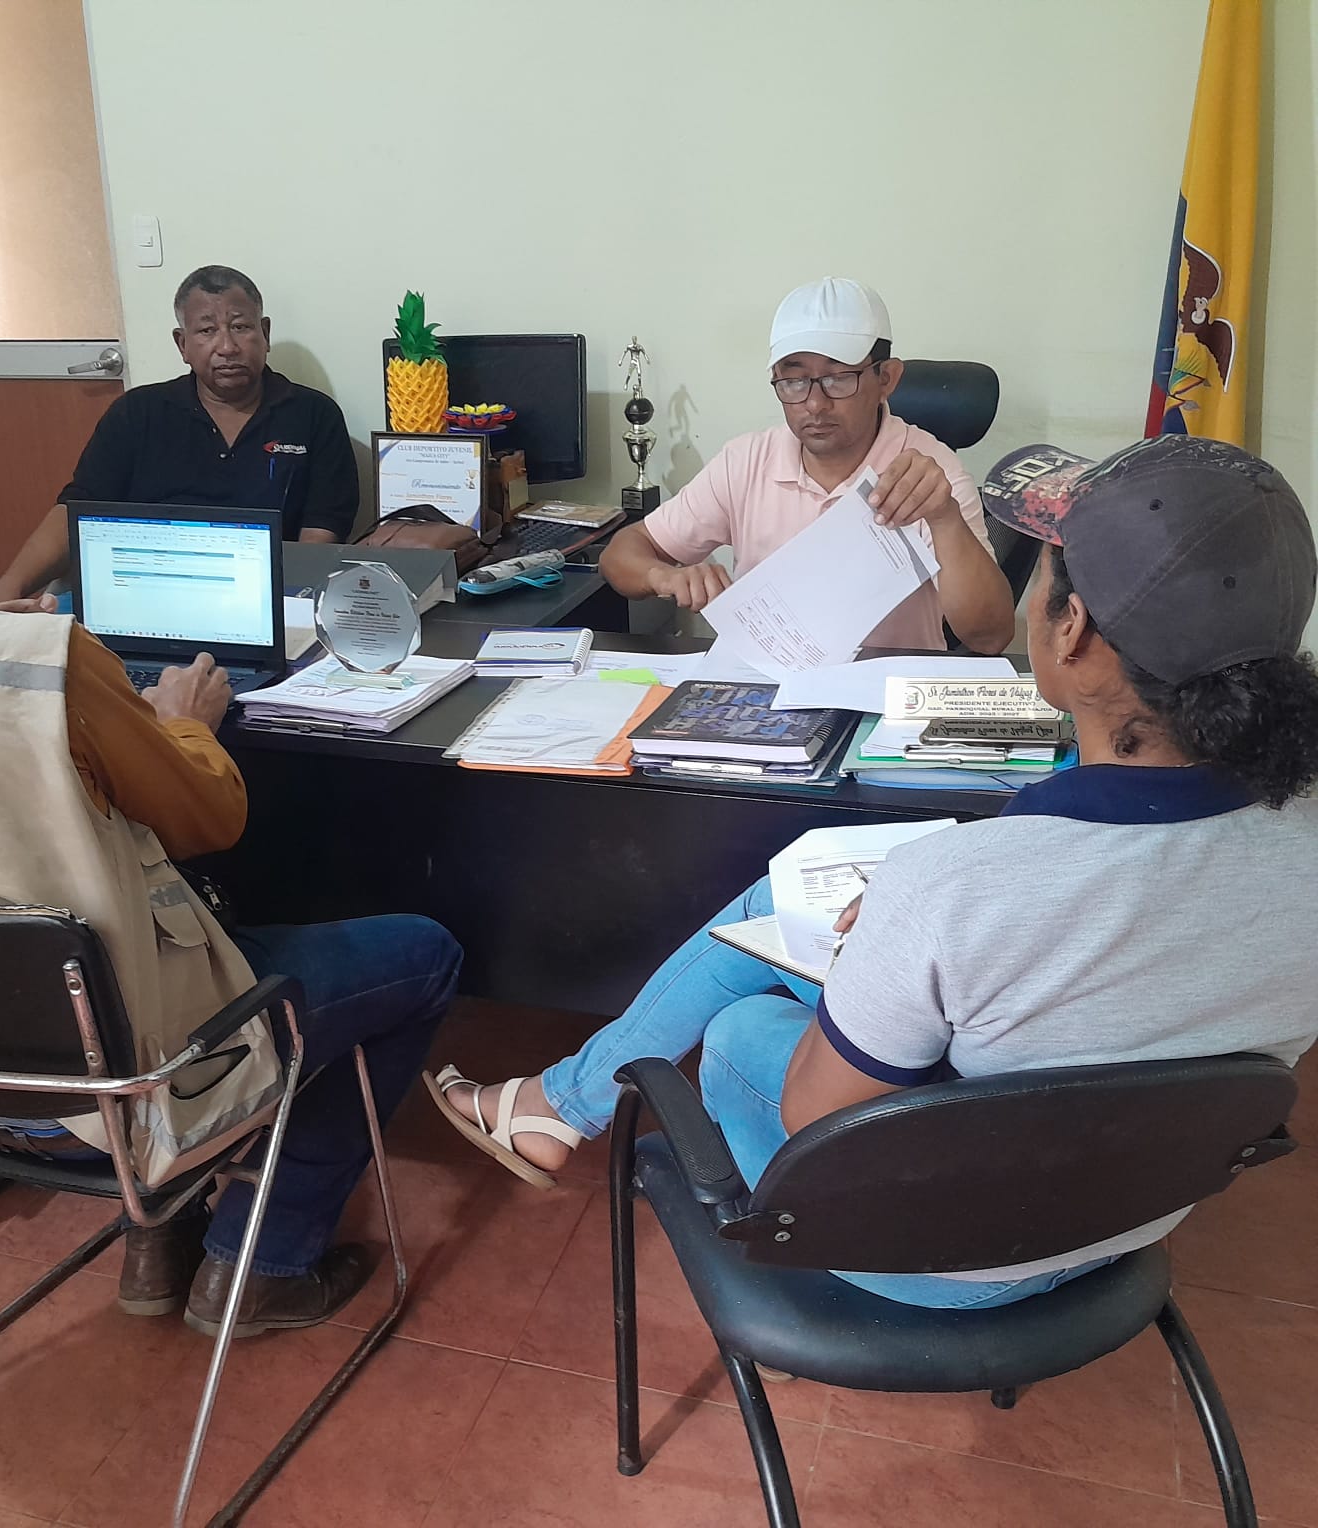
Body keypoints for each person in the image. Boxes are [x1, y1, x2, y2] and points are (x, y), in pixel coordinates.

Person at [431, 433, 1318, 1308]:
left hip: (932, 1260)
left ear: (1074, 630)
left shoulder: (952, 887)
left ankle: (567, 1112)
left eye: (1046, 573)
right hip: (1133, 1218)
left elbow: (819, 1121)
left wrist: (882, 943)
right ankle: (557, 1103)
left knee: (742, 1026)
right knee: (791, 907)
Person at [0, 393, 459, 1335]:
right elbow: (208, 816)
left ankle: (160, 1231)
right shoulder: (41, 661)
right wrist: (184, 725)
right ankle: (262, 1261)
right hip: (118, 1087)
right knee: (423, 954)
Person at [599, 277, 1015, 654]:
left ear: (886, 378)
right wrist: (664, 577)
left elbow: (990, 636)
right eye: (794, 381)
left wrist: (944, 519)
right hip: (762, 685)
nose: (815, 404)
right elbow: (622, 554)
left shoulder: (928, 473)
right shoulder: (746, 461)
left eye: (838, 378)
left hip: (882, 692)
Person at [0, 264, 358, 602]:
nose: (227, 347)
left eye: (240, 327)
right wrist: (8, 587)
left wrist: (285, 603)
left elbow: (321, 531)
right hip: (149, 590)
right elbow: (77, 510)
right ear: (183, 344)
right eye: (207, 330)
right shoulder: (137, 413)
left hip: (267, 595)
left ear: (265, 333)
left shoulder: (313, 415)